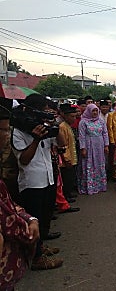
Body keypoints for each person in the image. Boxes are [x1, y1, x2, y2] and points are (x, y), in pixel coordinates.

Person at [11, 94, 64, 270]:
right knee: (35, 219)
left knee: (46, 214)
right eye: (42, 111)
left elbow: (61, 145)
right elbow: (24, 160)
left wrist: (56, 126)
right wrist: (36, 139)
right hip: (32, 182)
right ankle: (36, 259)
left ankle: (40, 248)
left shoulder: (43, 126)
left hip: (48, 178)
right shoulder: (18, 131)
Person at [0, 99, 41, 288]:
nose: (6, 136)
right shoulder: (21, 135)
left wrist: (29, 219)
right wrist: (28, 231)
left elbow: (6, 203)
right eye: (3, 130)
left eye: (8, 130)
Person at [78, 104, 109, 195]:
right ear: (88, 111)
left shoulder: (101, 121)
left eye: (96, 111)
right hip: (89, 146)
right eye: (93, 111)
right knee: (89, 164)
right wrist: (83, 148)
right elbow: (82, 136)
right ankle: (89, 186)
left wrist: (106, 145)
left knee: (100, 164)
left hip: (99, 145)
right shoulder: (83, 122)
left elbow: (105, 133)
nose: (95, 113)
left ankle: (100, 185)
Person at [59, 104, 79, 202]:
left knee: (70, 177)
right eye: (72, 116)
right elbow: (64, 145)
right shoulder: (62, 127)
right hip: (66, 159)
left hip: (72, 156)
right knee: (66, 179)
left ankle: (68, 195)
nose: (74, 119)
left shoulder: (68, 126)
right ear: (65, 116)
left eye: (75, 116)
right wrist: (66, 159)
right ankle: (65, 197)